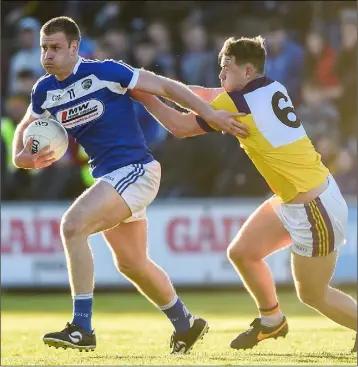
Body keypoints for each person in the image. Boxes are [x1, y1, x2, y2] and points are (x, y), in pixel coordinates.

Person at [12, 16, 249, 354]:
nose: (48, 55)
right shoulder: (44, 90)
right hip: (111, 178)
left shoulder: (106, 71)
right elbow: (26, 125)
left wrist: (209, 115)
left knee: (72, 226)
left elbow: (167, 87)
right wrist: (21, 157)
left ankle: (81, 327)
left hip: (135, 169)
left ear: (74, 48)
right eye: (43, 48)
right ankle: (186, 323)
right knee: (132, 263)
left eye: (56, 48)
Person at [131, 35, 357, 352]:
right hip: (304, 196)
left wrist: (143, 95)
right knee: (242, 253)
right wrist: (158, 85)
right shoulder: (270, 87)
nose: (221, 76)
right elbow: (206, 96)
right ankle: (271, 321)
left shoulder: (239, 104)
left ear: (247, 71)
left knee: (313, 294)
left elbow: (180, 127)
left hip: (313, 207)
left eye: (226, 69)